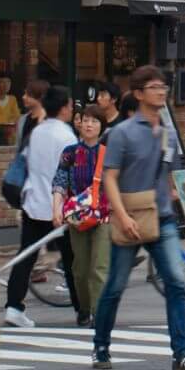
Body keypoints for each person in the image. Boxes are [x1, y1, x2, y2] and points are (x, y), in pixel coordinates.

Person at [93, 66, 185, 370]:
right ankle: (100, 344)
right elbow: (110, 178)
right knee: (115, 286)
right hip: (130, 216)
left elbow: (169, 171)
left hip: (163, 217)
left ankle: (181, 352)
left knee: (176, 281)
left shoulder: (168, 132)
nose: (162, 91)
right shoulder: (122, 133)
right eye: (155, 87)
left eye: (163, 87)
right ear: (139, 94)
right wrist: (121, 216)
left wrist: (177, 192)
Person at [2, 86, 78, 330]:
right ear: (64, 107)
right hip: (59, 207)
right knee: (72, 260)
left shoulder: (37, 132)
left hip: (33, 203)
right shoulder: (67, 136)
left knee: (25, 257)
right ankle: (83, 310)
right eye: (70, 105)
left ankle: (13, 307)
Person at [48, 104, 113, 327]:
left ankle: (98, 313)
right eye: (85, 120)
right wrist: (56, 208)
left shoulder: (109, 153)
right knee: (80, 269)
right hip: (77, 218)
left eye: (94, 121)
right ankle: (84, 308)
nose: (88, 124)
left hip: (104, 216)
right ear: (79, 123)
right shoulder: (70, 152)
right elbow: (59, 181)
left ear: (101, 126)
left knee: (99, 267)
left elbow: (117, 183)